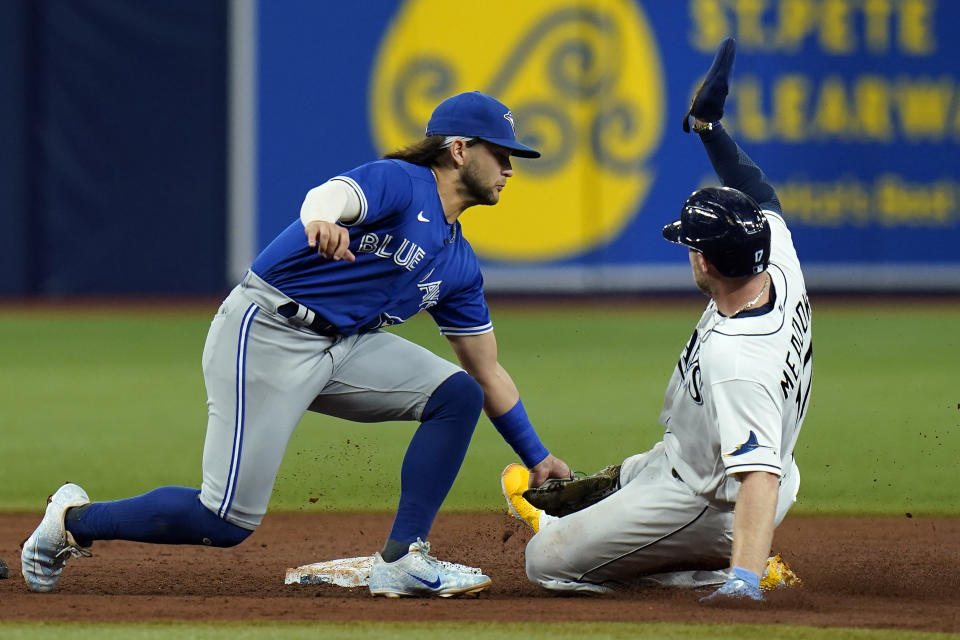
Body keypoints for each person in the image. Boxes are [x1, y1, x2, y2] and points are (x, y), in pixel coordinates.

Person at [21, 90, 571, 598]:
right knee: (224, 521)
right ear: (457, 149)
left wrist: (537, 457)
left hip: (345, 347)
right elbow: (328, 195)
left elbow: (488, 371)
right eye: (500, 153)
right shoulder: (402, 183)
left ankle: (404, 557)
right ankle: (71, 521)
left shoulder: (459, 263)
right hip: (266, 331)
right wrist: (322, 221)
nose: (508, 168)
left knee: (458, 394)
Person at [501, 38, 812, 602]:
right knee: (633, 475)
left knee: (544, 561)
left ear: (706, 261)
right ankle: (631, 507)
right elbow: (760, 192)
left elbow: (757, 477)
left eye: (690, 245)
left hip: (712, 498)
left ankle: (721, 564)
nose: (687, 251)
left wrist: (743, 585)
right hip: (702, 457)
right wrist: (709, 126)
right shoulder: (776, 260)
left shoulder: (737, 358)